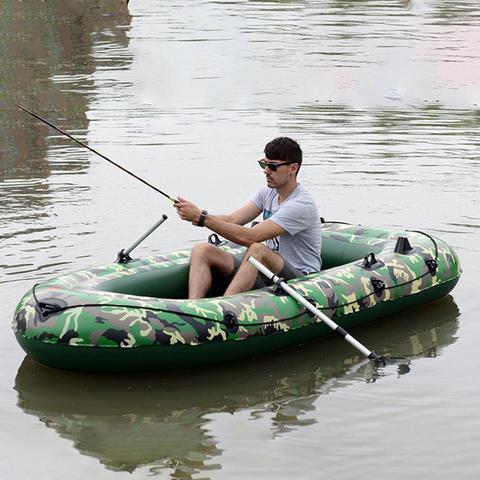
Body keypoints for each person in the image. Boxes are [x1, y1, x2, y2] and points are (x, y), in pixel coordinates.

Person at [174, 137, 321, 299]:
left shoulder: (301, 205)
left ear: (293, 168)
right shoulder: (267, 193)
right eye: (264, 164)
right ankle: (193, 307)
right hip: (268, 271)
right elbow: (231, 220)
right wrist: (199, 214)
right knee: (202, 250)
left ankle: (222, 309)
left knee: (257, 249)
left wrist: (203, 219)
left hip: (301, 279)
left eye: (272, 166)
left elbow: (250, 237)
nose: (266, 171)